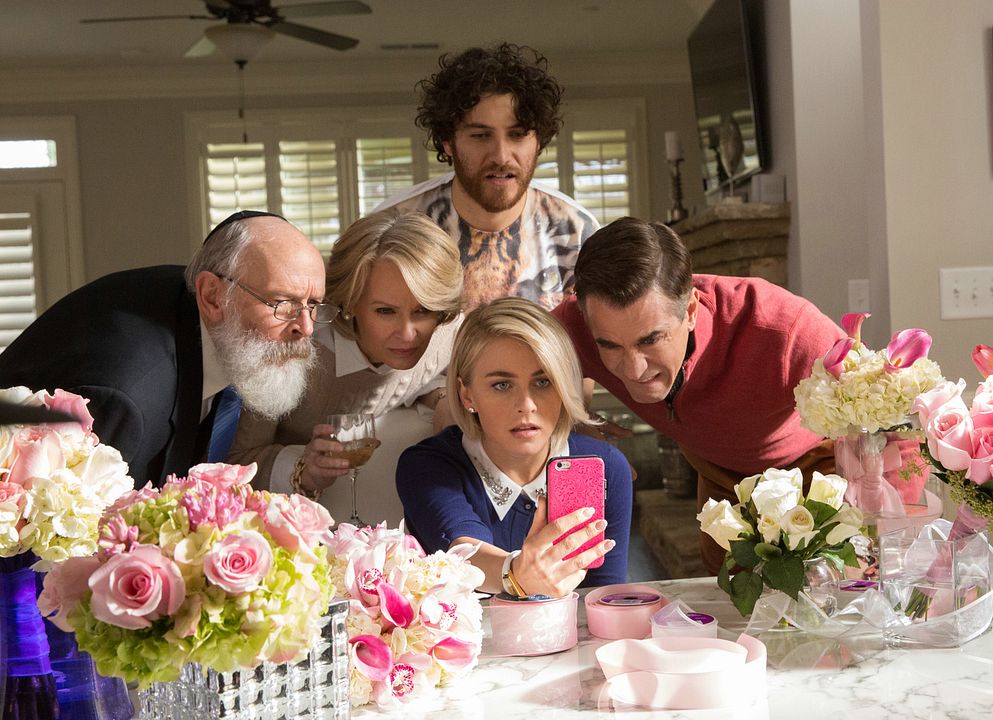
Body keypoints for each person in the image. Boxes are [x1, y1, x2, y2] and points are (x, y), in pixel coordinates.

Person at [551, 217, 847, 574]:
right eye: (608, 345)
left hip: (817, 470)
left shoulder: (786, 330)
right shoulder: (573, 326)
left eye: (650, 340)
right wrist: (574, 424)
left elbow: (885, 418)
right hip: (719, 479)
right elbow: (510, 365)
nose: (633, 370)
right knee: (727, 604)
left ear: (690, 310)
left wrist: (887, 535)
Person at [0, 211, 328, 486]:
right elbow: (77, 538)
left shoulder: (218, 321)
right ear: (212, 296)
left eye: (312, 304)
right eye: (283, 304)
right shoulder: (129, 395)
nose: (306, 327)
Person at [227, 209, 463, 525]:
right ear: (350, 304)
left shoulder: (446, 335)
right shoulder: (287, 349)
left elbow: (439, 376)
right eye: (385, 311)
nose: (408, 335)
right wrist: (303, 468)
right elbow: (232, 466)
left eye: (422, 311)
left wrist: (442, 398)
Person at [397, 297, 631, 596]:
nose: (526, 405)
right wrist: (515, 575)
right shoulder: (427, 467)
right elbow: (464, 553)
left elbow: (604, 598)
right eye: (502, 385)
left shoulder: (606, 467)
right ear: (466, 394)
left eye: (543, 382)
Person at [376, 42, 599, 311]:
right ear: (448, 142)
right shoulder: (390, 227)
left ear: (539, 141)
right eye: (480, 136)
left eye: (518, 135)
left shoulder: (577, 232)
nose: (501, 156)